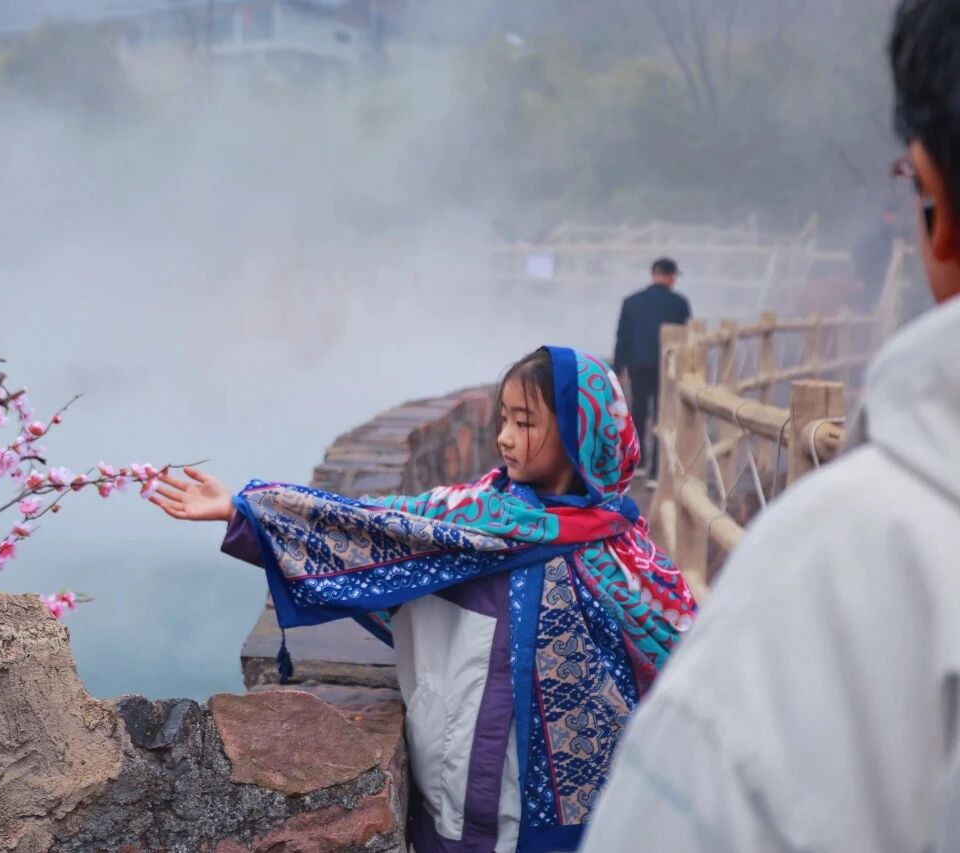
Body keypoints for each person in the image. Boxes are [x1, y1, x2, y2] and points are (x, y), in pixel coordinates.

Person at [580, 2, 960, 850]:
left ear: (931, 193)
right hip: (660, 370)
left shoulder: (827, 574)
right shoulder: (675, 302)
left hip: (648, 379)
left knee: (654, 417)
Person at [151, 346, 697, 852]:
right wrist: (245, 511)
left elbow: (680, 657)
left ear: (582, 435)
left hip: (588, 808)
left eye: (525, 423)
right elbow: (370, 528)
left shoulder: (627, 553)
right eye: (503, 419)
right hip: (470, 789)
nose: (505, 437)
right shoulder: (476, 519)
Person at [612, 258, 692, 481]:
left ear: (653, 274)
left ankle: (638, 462)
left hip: (637, 365)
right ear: (671, 276)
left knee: (638, 411)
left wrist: (619, 368)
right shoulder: (679, 303)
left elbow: (622, 337)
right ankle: (656, 470)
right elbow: (687, 339)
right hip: (666, 367)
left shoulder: (631, 302)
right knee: (662, 415)